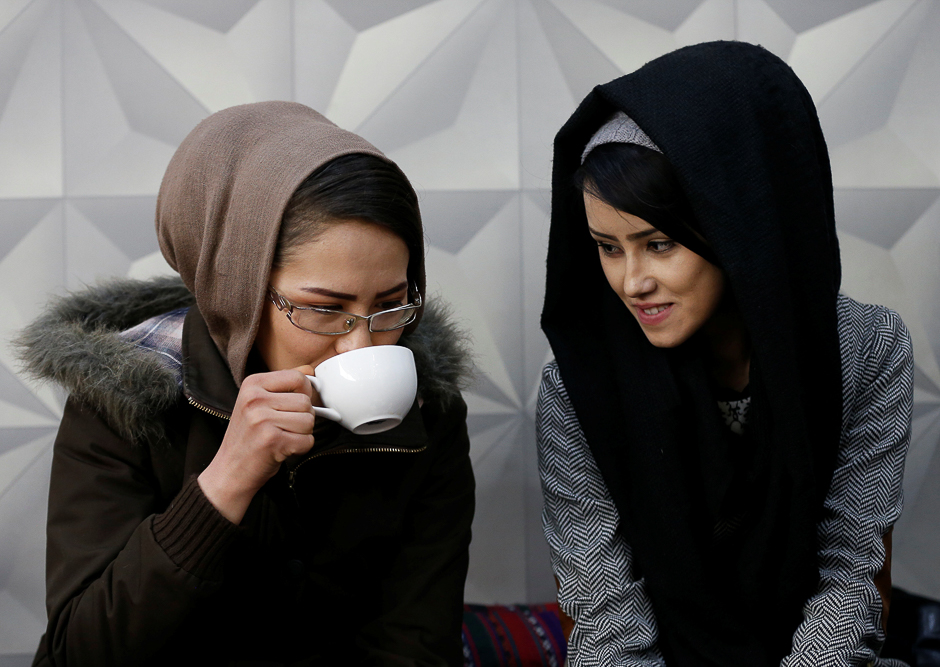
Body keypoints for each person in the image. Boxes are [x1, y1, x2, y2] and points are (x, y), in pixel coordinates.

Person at [17, 101, 475, 666]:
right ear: (236, 287)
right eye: (323, 309)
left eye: (389, 306)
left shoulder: (428, 412)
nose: (360, 346)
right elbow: (77, 654)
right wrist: (224, 484)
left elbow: (415, 642)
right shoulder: (123, 399)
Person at [537, 41, 912, 666]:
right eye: (607, 247)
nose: (632, 282)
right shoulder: (580, 388)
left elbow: (851, 582)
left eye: (659, 244)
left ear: (740, 223)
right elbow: (604, 621)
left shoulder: (865, 352)